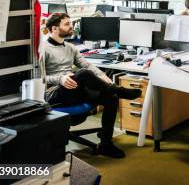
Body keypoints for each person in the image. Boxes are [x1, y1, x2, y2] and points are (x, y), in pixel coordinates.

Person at [40, 13, 142, 158]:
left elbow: (86, 64)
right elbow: (39, 78)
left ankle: (106, 145)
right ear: (55, 28)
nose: (71, 27)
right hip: (54, 93)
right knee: (82, 73)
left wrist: (102, 76)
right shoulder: (42, 49)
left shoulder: (70, 47)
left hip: (74, 90)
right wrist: (60, 79)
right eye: (67, 24)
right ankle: (121, 91)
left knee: (111, 98)